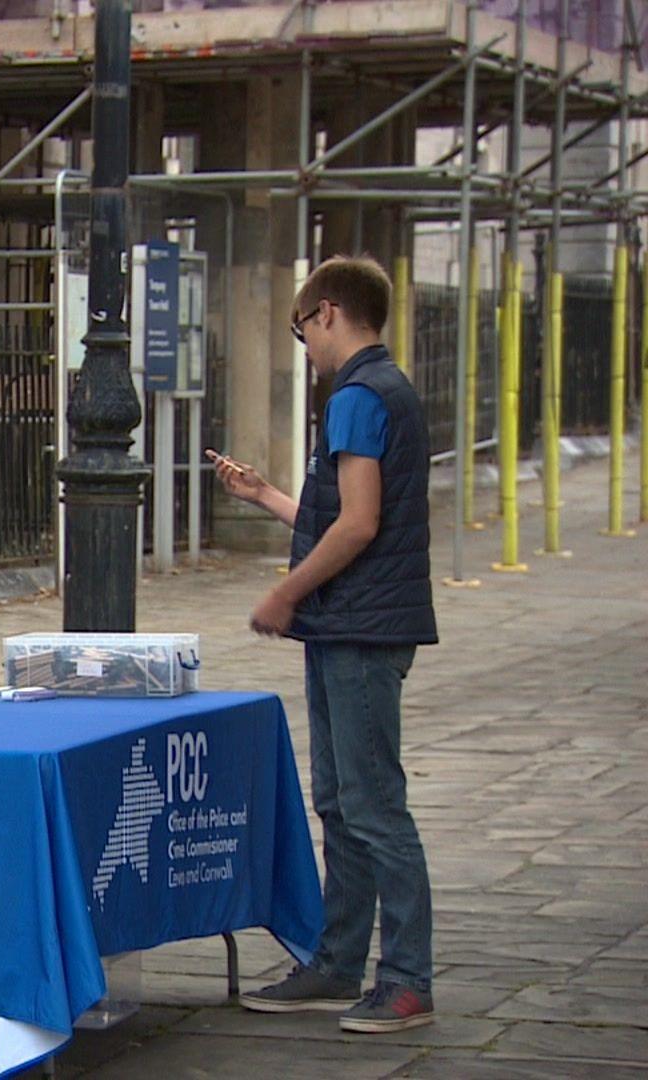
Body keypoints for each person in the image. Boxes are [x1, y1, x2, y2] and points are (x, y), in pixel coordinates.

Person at [215, 255, 437, 1033]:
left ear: (330, 313)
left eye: (301, 325)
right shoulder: (388, 389)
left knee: (372, 807)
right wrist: (266, 494)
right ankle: (340, 963)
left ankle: (405, 979)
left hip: (359, 626)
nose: (302, 341)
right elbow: (341, 511)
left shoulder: (354, 396)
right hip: (361, 623)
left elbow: (358, 522)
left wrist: (286, 592)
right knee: (343, 802)